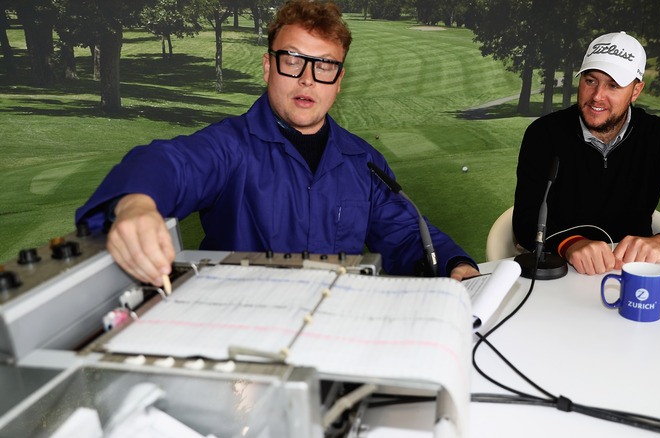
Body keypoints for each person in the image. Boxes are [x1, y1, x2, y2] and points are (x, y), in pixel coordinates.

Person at [75, 0, 479, 286]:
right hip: (243, 340)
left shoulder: (363, 161)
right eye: (292, 60)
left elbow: (408, 235)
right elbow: (171, 164)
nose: (307, 79)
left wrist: (456, 263)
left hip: (337, 333)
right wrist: (135, 203)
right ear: (268, 67)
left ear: (338, 81)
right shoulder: (231, 146)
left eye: (323, 66)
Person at [512, 31, 660, 276]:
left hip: (633, 273)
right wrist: (570, 243)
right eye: (590, 80)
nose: (597, 96)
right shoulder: (544, 134)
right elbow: (526, 218)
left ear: (636, 91)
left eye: (613, 85)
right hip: (559, 270)